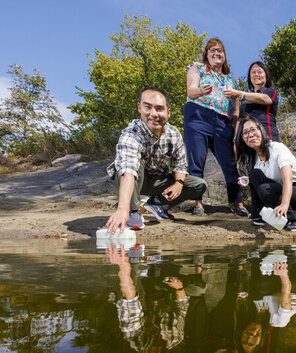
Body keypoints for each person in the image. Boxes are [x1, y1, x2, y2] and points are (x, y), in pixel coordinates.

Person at [105, 87, 207, 232]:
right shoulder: (131, 134)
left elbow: (181, 165)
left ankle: (157, 204)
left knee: (199, 185)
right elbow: (128, 172)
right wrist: (122, 208)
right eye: (148, 107)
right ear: (139, 108)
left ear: (168, 112)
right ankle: (133, 211)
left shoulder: (174, 134)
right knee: (135, 163)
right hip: (132, 178)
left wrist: (178, 183)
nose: (154, 114)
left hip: (158, 180)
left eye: (159, 109)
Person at [106, 244, 189, 353]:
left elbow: (130, 298)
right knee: (174, 266)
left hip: (136, 291)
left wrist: (124, 268)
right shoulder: (176, 338)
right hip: (159, 293)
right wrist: (179, 288)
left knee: (131, 269)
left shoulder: (134, 337)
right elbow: (181, 309)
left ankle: (133, 253)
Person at [184, 38, 248, 217]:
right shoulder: (197, 67)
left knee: (229, 162)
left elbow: (236, 111)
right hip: (198, 115)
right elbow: (191, 91)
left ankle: (237, 203)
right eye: (212, 50)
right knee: (197, 158)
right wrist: (201, 91)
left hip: (222, 122)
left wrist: (235, 133)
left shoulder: (232, 82)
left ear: (225, 56)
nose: (216, 53)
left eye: (220, 50)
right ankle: (198, 203)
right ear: (206, 54)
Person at [235, 117, 296, 231]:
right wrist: (249, 180)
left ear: (261, 130)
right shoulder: (255, 159)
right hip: (282, 191)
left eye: (253, 130)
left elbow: (288, 179)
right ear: (242, 139)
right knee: (254, 174)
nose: (250, 135)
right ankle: (261, 215)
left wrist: (285, 204)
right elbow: (270, 178)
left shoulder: (277, 148)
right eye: (245, 133)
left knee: (265, 189)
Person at [225, 61, 280, 142]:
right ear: (250, 77)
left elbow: (265, 99)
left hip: (267, 136)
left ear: (266, 75)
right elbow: (240, 120)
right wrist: (236, 139)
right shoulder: (245, 100)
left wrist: (240, 94)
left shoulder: (270, 91)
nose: (256, 74)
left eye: (259, 72)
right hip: (248, 140)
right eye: (253, 72)